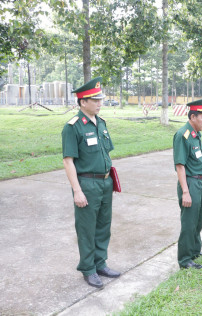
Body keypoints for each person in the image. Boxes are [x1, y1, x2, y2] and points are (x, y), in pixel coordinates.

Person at [62, 77, 120, 288]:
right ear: (82, 102)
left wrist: (110, 182)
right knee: (87, 228)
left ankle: (100, 263)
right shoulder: (73, 127)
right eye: (94, 100)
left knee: (104, 226)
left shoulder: (101, 123)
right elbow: (68, 161)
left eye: (100, 99)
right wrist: (77, 190)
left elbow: (105, 153)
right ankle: (88, 269)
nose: (99, 103)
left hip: (105, 183)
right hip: (86, 184)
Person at [173, 97, 202, 269]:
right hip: (189, 183)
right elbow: (180, 166)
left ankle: (195, 250)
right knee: (188, 223)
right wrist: (185, 191)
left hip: (198, 183)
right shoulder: (182, 135)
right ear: (192, 117)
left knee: (197, 221)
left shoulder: (196, 135)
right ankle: (184, 259)